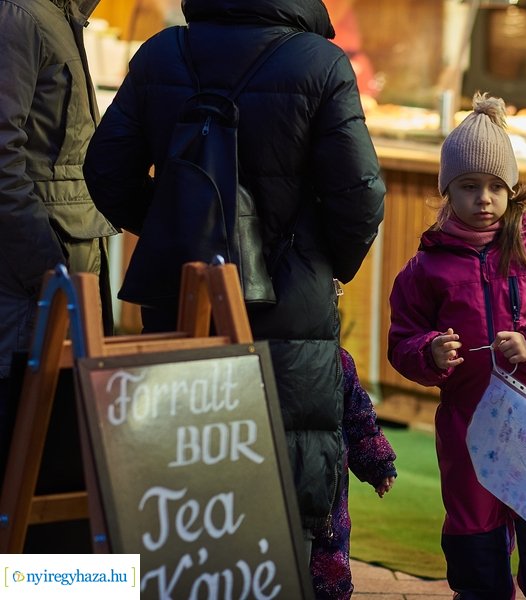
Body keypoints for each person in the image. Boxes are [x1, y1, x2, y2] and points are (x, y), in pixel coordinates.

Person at [82, 0, 386, 552]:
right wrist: (321, 263)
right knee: (280, 493)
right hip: (291, 306)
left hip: (182, 299)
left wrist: (174, 229)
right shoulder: (321, 62)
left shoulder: (161, 54)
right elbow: (361, 196)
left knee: (185, 477)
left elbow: (105, 168)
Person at [387, 92, 526, 600]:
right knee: (476, 556)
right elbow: (403, 338)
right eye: (468, 186)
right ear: (446, 192)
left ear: (511, 191)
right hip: (468, 430)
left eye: (494, 187)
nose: (483, 198)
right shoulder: (427, 267)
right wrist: (430, 352)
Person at [0, 0, 117, 481]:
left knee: (69, 468)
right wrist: (49, 271)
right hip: (38, 291)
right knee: (30, 468)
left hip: (69, 274)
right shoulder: (22, 16)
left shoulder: (61, 17)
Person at [310, 346, 397, 599]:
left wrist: (378, 463)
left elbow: (358, 416)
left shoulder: (337, 361)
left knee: (328, 544)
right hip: (309, 469)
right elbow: (359, 416)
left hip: (327, 472)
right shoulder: (337, 358)